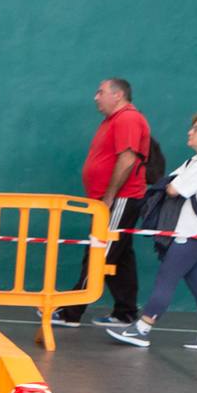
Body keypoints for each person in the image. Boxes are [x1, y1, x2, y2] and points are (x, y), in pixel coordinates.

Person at [106, 113, 197, 353]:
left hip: (193, 233)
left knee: (166, 278)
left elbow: (174, 188)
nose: (190, 131)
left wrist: (170, 184)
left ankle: (142, 328)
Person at [58, 77, 152, 329]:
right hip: (109, 200)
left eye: (100, 92)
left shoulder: (128, 118)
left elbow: (127, 158)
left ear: (118, 95)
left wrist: (110, 196)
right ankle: (125, 312)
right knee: (120, 257)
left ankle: (70, 312)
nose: (95, 97)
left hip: (120, 199)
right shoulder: (113, 120)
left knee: (99, 253)